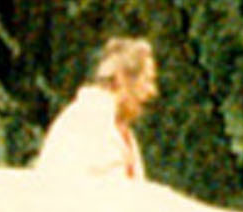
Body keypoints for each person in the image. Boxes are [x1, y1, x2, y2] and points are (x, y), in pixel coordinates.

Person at [30, 37, 158, 179]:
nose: (152, 91)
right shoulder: (89, 122)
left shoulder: (117, 127)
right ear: (121, 79)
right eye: (148, 80)